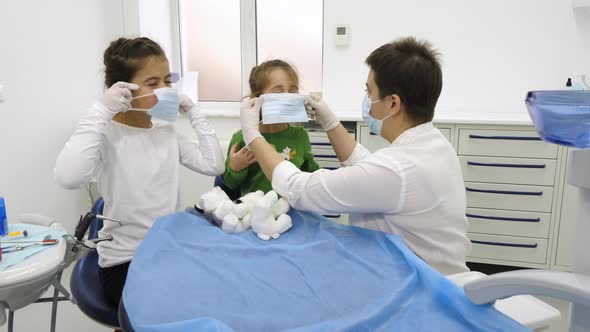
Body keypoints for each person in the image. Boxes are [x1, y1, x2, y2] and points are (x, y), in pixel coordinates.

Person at [238, 37, 471, 275]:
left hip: (421, 287)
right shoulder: (435, 144)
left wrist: (252, 135)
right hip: (439, 274)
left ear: (393, 104)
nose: (367, 100)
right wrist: (330, 122)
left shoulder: (396, 170)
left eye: (369, 92)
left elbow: (299, 189)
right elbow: (369, 166)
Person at [54, 37, 225, 305]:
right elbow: (68, 177)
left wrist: (194, 112)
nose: (167, 90)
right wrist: (100, 110)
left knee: (215, 292)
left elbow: (213, 164)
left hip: (168, 249)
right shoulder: (108, 134)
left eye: (168, 81)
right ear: (124, 89)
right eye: (153, 83)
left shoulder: (165, 131)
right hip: (125, 261)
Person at [221, 59, 320, 197]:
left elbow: (311, 176)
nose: (287, 97)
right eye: (279, 92)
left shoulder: (300, 135)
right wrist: (236, 168)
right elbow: (230, 184)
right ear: (257, 98)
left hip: (292, 212)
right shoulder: (242, 138)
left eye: (292, 91)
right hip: (255, 212)